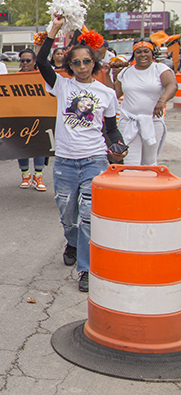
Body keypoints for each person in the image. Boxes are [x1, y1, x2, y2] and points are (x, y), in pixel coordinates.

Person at [36, 16, 127, 292]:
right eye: (76, 62)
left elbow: (111, 130)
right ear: (69, 66)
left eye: (87, 61)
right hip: (64, 161)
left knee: (88, 215)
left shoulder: (106, 94)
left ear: (94, 63)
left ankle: (86, 269)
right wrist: (53, 30)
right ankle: (73, 241)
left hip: (94, 161)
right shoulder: (62, 86)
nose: (82, 67)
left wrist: (118, 146)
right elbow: (41, 63)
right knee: (68, 213)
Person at [113, 39, 177, 165]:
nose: (142, 55)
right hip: (129, 121)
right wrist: (106, 73)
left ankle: (148, 183)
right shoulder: (126, 72)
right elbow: (114, 94)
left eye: (146, 51)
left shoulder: (160, 69)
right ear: (134, 54)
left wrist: (162, 100)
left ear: (152, 53)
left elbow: (172, 85)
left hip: (152, 122)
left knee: (149, 162)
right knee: (131, 161)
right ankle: (132, 183)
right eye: (138, 52)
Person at [14, 49, 46, 191]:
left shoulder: (42, 76)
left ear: (34, 62)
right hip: (20, 117)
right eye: (22, 61)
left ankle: (38, 176)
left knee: (39, 147)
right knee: (22, 147)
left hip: (39, 116)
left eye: (28, 61)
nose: (25, 63)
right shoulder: (13, 78)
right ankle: (25, 174)